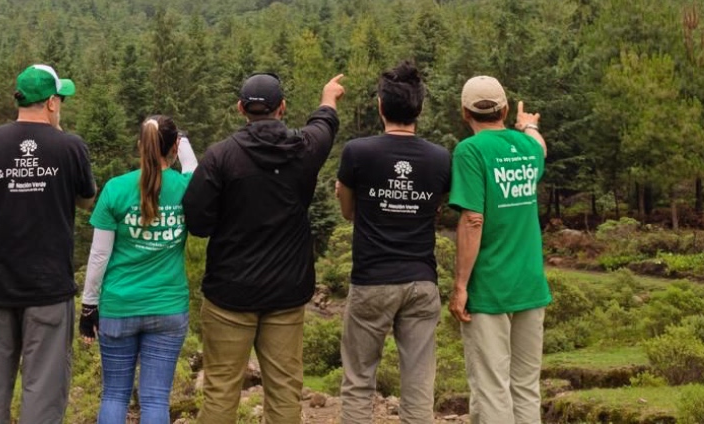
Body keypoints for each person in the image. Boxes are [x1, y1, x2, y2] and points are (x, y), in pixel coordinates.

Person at [183, 71, 345, 424]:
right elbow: (325, 125)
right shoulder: (304, 149)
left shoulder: (220, 157)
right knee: (285, 392)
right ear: (282, 108)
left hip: (229, 293)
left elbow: (197, 222)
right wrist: (328, 96)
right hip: (286, 295)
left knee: (221, 390)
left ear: (241, 108)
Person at [0, 64, 97, 424]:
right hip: (49, 288)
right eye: (59, 99)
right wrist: (59, 136)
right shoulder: (70, 146)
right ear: (51, 102)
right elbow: (86, 200)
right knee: (44, 393)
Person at [334, 62, 451, 424]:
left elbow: (347, 207)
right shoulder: (439, 158)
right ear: (418, 109)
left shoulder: (358, 151)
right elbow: (438, 205)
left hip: (372, 279)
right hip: (421, 280)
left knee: (358, 381)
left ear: (381, 106)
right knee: (418, 384)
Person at [447, 75, 550, 424]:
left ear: (465, 113)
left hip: (490, 286)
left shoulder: (470, 151)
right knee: (525, 386)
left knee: (491, 388)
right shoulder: (527, 147)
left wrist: (460, 285)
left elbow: (473, 220)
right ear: (504, 109)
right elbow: (540, 147)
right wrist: (529, 126)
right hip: (531, 285)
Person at [80, 116, 194, 424]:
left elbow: (99, 255)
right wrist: (184, 148)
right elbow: (197, 171)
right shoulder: (186, 187)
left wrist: (89, 305)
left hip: (119, 305)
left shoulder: (116, 189)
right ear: (172, 147)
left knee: (114, 395)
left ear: (139, 145)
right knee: (156, 398)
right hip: (168, 306)